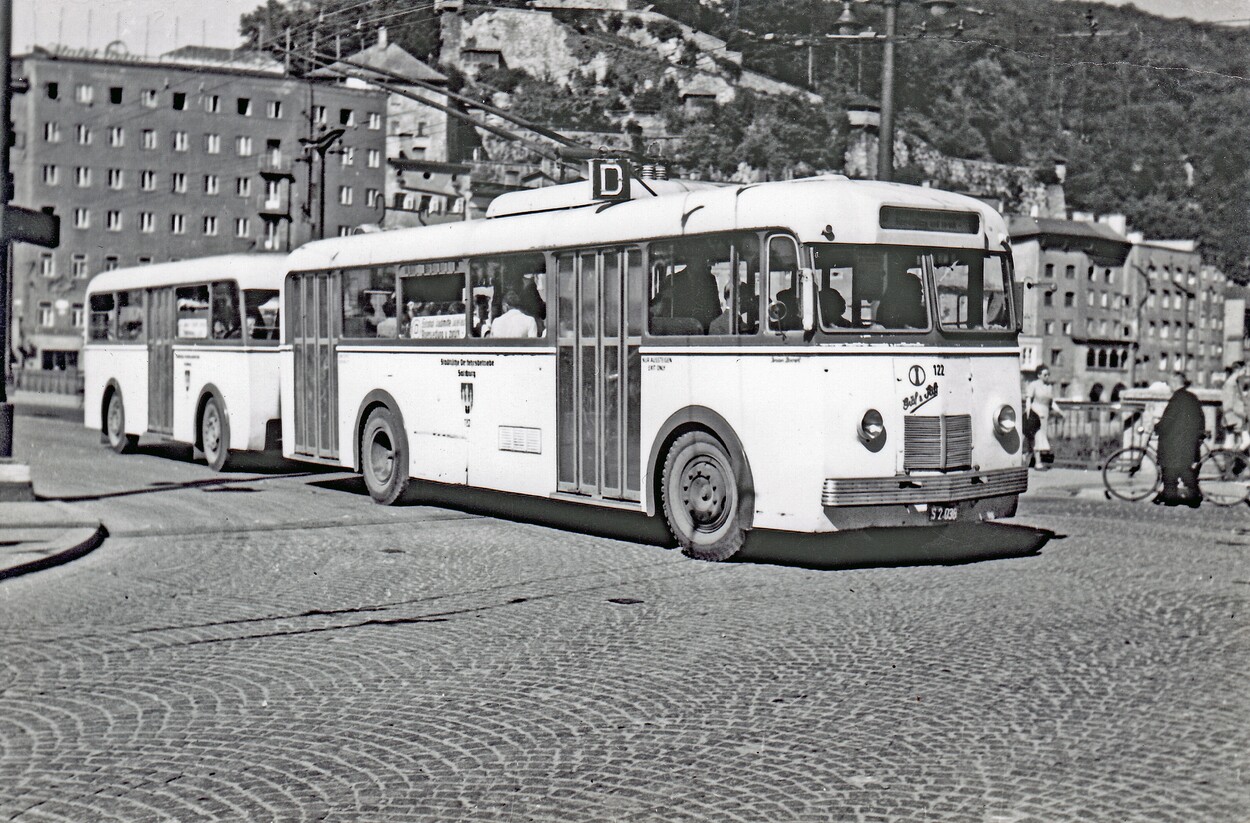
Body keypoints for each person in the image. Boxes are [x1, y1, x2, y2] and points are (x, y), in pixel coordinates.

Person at [1154, 371, 1204, 507]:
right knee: (1184, 469)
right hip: (1188, 442)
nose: (1168, 385)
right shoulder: (1192, 397)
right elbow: (1201, 418)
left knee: (1170, 470)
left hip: (1174, 443)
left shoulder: (1176, 399)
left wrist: (1157, 427)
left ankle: (1171, 498)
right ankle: (1193, 496)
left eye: (1170, 382)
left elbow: (1167, 420)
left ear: (1175, 382)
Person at [1024, 366, 1062, 470]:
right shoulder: (1033, 385)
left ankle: (1029, 459)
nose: (1047, 377)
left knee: (1040, 437)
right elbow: (1028, 399)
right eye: (1045, 375)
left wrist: (1059, 411)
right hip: (1036, 412)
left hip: (1045, 414)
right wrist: (1028, 413)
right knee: (1037, 437)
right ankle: (1038, 462)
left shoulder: (1049, 386)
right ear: (1039, 375)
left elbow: (1051, 402)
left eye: (1048, 374)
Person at [1220, 361, 1249, 451]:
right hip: (1233, 419)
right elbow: (1228, 404)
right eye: (1244, 369)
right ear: (1237, 370)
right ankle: (1236, 456)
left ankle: (1235, 457)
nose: (1245, 371)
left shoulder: (1234, 383)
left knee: (1230, 444)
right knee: (1244, 441)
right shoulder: (1230, 384)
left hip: (1235, 418)